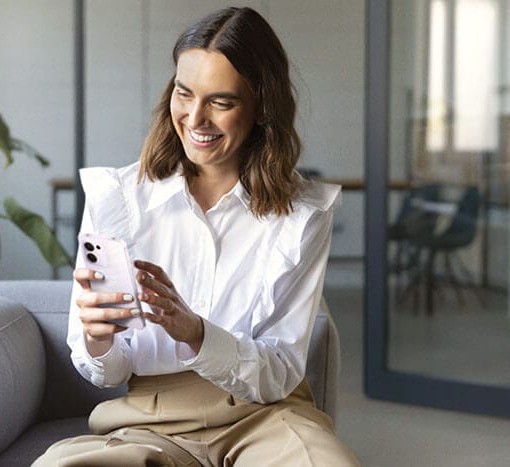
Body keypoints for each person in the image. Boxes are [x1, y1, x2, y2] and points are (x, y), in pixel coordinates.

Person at [33, 6, 359, 466]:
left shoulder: (303, 214)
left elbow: (281, 371)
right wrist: (97, 337)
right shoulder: (116, 199)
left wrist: (197, 333)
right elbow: (106, 372)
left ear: (262, 105)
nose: (195, 118)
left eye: (221, 102)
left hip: (266, 416)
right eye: (184, 94)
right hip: (149, 419)